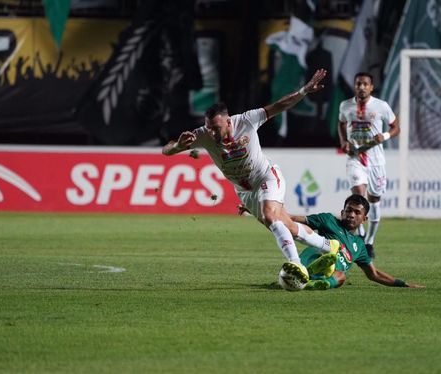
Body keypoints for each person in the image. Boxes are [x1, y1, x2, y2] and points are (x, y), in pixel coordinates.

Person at [162, 68, 339, 283]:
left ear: (228, 122)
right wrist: (179, 145)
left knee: (270, 216)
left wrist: (304, 91)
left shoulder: (246, 120)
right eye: (209, 128)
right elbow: (167, 150)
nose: (212, 133)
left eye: (216, 128)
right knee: (285, 226)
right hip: (246, 191)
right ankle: (328, 246)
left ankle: (297, 266)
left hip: (266, 176)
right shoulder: (203, 135)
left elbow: (279, 106)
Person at [289, 194, 424, 290]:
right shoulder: (328, 220)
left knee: (341, 276)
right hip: (312, 258)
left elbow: (374, 274)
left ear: (364, 219)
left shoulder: (359, 245)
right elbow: (295, 220)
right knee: (326, 254)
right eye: (348, 210)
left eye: (357, 212)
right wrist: (275, 215)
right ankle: (307, 271)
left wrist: (403, 284)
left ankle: (316, 284)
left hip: (329, 275)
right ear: (342, 212)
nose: (351, 215)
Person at [337, 72, 399, 259]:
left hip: (376, 161)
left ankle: (370, 240)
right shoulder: (345, 105)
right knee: (358, 196)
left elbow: (396, 127)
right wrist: (344, 142)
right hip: (356, 158)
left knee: (374, 201)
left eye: (365, 84)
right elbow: (341, 124)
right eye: (358, 84)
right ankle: (361, 234)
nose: (361, 87)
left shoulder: (381, 106)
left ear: (371, 87)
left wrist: (385, 136)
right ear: (354, 86)